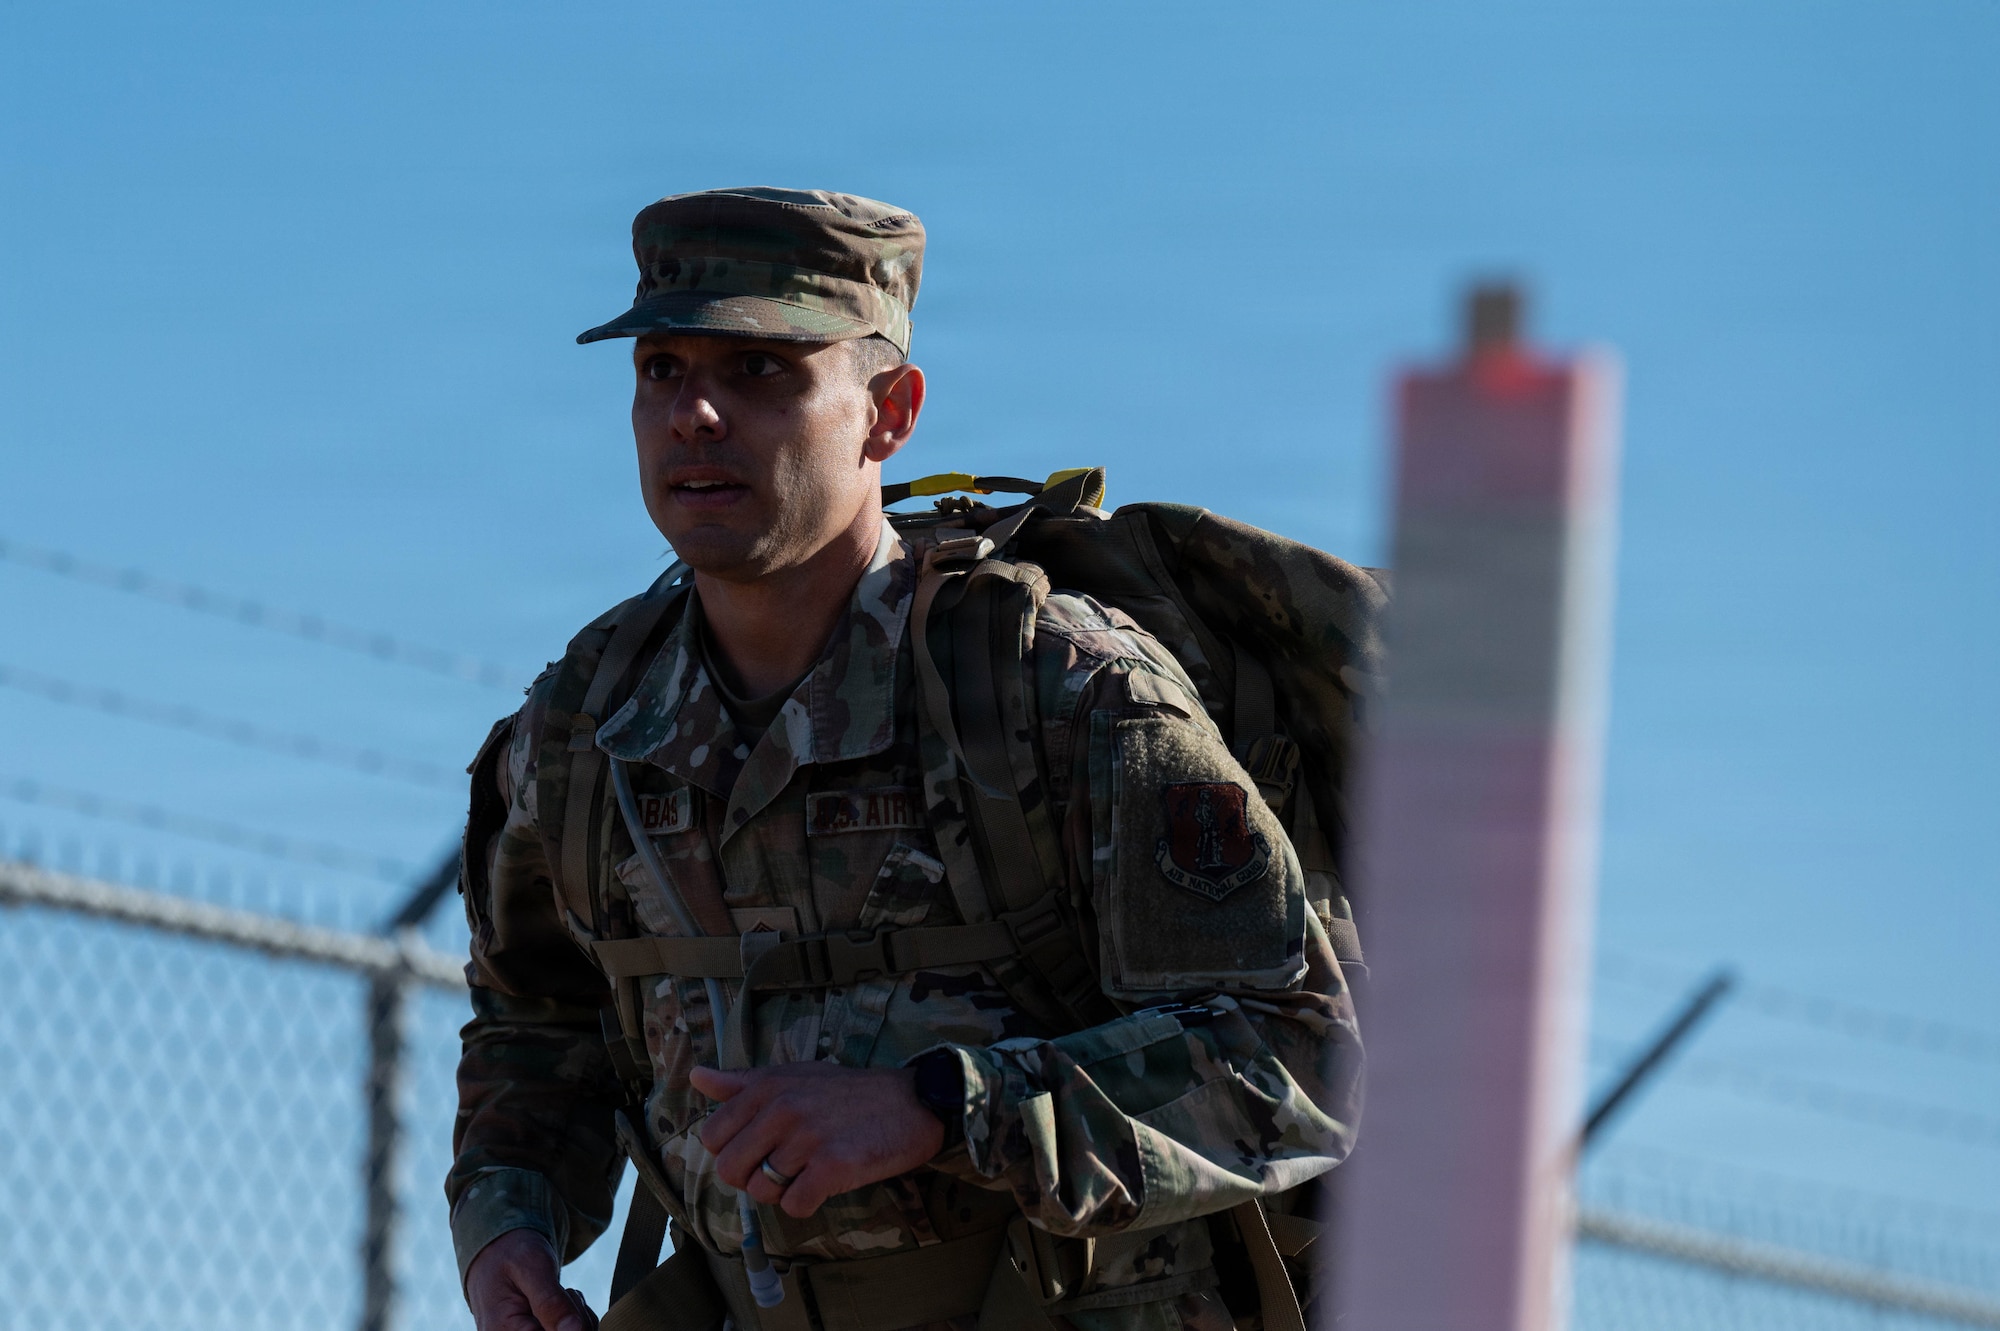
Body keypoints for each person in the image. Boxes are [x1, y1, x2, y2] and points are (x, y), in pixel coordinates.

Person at [448, 186, 1363, 1331]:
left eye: (760, 372)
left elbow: (1296, 1054)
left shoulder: (1056, 690)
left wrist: (940, 1106)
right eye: (661, 370)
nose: (693, 414)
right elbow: (534, 1024)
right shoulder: (586, 730)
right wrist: (506, 1228)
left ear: (889, 412)